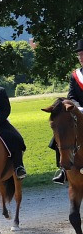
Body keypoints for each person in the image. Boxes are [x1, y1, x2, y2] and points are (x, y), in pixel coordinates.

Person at [51, 39, 83, 184]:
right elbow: (71, 96)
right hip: (80, 111)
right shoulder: (75, 75)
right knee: (61, 134)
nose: (81, 58)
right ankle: (63, 169)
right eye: (79, 55)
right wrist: (77, 108)